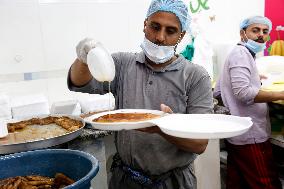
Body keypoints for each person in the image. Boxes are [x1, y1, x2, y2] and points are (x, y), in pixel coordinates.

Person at [68, 0, 213, 188]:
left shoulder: (195, 76)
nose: (160, 37)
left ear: (181, 35)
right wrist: (83, 57)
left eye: (170, 31)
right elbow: (79, 83)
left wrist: (164, 128)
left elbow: (199, 144)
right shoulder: (123, 64)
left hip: (173, 181)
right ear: (145, 25)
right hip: (125, 179)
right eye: (155, 26)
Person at [214, 16, 284, 189]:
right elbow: (244, 93)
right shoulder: (241, 54)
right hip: (251, 135)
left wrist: (253, 78)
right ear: (243, 33)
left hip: (238, 134)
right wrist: (280, 94)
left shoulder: (242, 54)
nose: (261, 35)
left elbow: (219, 89)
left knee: (237, 182)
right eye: (255, 30)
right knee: (266, 183)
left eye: (265, 31)